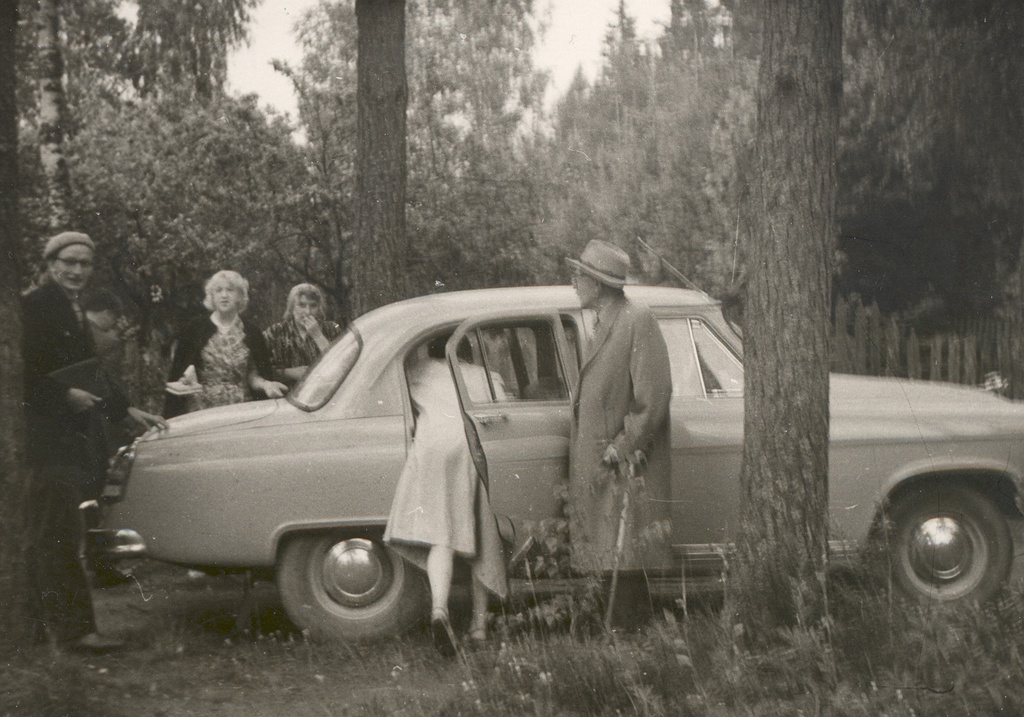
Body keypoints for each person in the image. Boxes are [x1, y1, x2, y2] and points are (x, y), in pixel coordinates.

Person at [21, 231, 167, 651]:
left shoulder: (72, 310)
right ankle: (74, 633)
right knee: (57, 535)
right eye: (69, 262)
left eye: (85, 264)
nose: (77, 271)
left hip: (66, 438)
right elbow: (19, 373)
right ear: (50, 263)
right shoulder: (33, 307)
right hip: (43, 439)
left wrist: (126, 410)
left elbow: (90, 371)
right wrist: (63, 396)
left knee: (56, 533)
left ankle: (41, 630)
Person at [565, 239, 673, 631]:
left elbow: (654, 397)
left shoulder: (636, 319)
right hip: (599, 464)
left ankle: (627, 638)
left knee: (622, 553)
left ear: (598, 283)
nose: (574, 281)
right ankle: (604, 634)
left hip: (619, 464)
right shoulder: (603, 323)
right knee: (604, 550)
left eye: (579, 275)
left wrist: (622, 446)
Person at [384, 336, 508, 656]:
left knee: (443, 535)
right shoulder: (484, 376)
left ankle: (440, 610)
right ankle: (478, 627)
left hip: (430, 447)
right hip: (468, 447)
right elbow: (504, 410)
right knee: (481, 535)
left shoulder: (418, 370)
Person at [164, 270, 287, 418]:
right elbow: (178, 372)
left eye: (230, 290)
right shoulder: (194, 329)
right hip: (202, 411)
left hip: (240, 410)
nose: (224, 295)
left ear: (240, 296)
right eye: (218, 290)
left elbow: (252, 375)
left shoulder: (252, 333)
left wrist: (266, 385)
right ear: (212, 297)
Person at [262, 283, 342, 386]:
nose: (307, 312)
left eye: (313, 306)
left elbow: (341, 364)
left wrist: (318, 336)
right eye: (301, 305)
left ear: (319, 308)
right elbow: (259, 368)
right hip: (287, 396)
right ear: (291, 308)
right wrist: (288, 373)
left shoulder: (332, 329)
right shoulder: (275, 332)